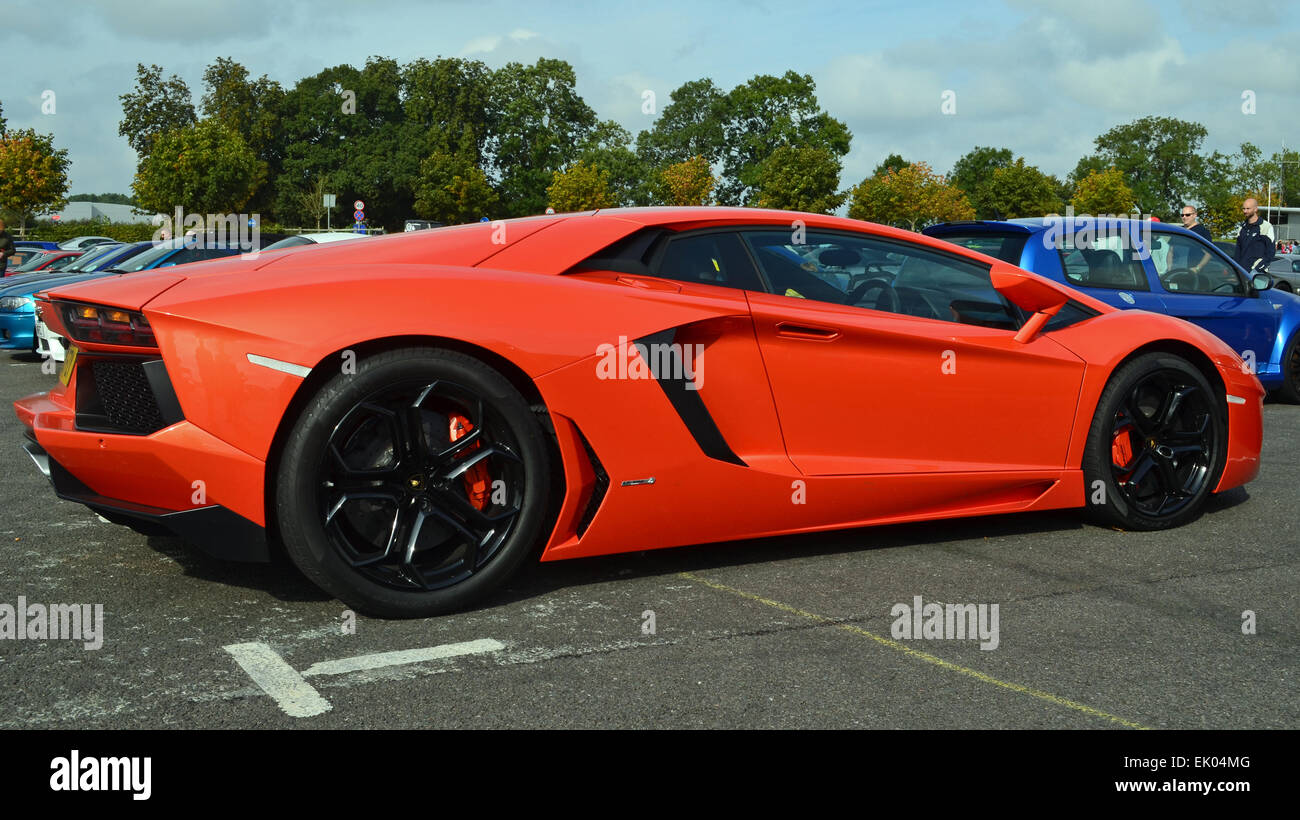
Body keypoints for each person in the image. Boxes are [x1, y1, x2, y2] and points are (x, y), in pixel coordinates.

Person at [1234, 198, 1275, 273]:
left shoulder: (1266, 226)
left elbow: (1270, 252)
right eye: (1243, 209)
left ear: (1255, 209)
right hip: (1241, 272)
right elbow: (1237, 251)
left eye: (1248, 209)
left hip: (1257, 273)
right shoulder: (1241, 227)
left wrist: (1257, 269)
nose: (1245, 211)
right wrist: (1235, 268)